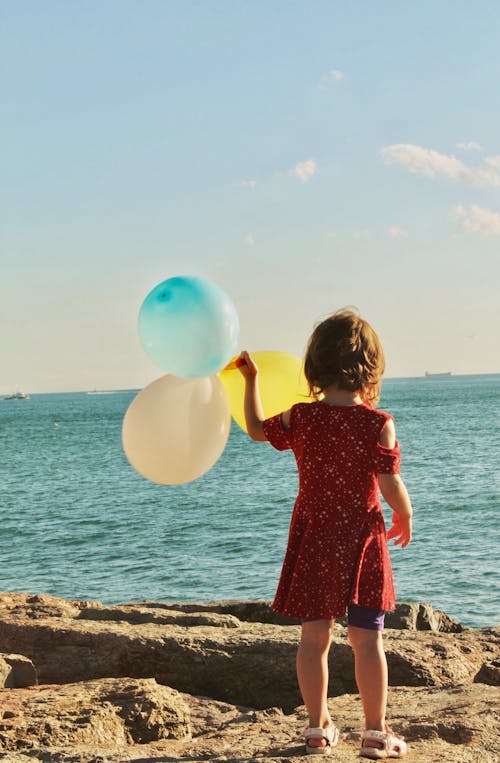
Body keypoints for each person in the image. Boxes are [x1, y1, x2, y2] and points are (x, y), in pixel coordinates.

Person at [237, 309, 413, 759]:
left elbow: (256, 430)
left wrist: (250, 380)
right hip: (361, 540)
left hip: (315, 536)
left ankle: (317, 729)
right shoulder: (378, 423)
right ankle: (375, 733)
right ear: (371, 368)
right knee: (367, 639)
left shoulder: (301, 419)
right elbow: (390, 484)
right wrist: (405, 515)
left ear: (315, 366)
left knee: (313, 639)